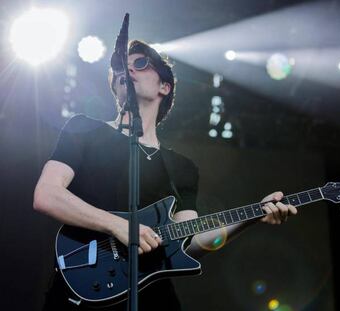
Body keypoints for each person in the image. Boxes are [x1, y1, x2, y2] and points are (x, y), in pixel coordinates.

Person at [33, 40, 297, 310]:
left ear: (164, 87)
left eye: (139, 64)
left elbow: (191, 239)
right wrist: (118, 225)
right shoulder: (84, 128)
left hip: (152, 295)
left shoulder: (180, 167)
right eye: (121, 67)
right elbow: (47, 194)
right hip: (85, 285)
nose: (128, 70)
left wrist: (254, 214)